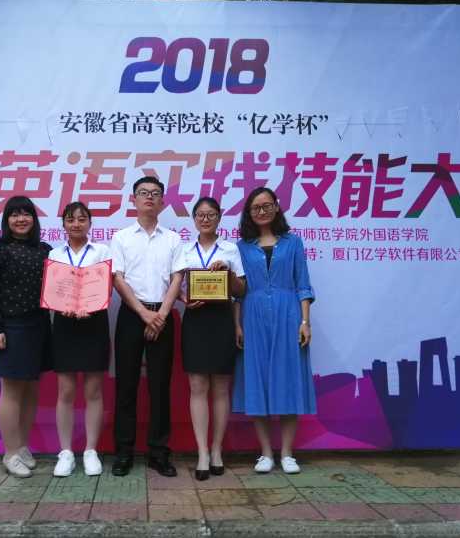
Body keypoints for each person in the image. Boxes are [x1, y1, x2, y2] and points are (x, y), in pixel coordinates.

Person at [232, 187, 316, 475]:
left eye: (267, 205)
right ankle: (266, 453)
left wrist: (305, 322)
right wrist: (237, 325)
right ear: (249, 213)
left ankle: (288, 453)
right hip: (253, 316)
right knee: (257, 380)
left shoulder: (293, 243)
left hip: (288, 314)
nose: (262, 211)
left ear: (277, 207)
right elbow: (238, 293)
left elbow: (303, 284)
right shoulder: (241, 247)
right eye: (256, 207)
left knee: (289, 380)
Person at [110, 176, 186, 477]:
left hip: (163, 315)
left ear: (163, 202)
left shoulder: (173, 239)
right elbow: (117, 278)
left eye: (155, 193)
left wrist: (161, 315)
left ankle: (158, 452)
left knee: (160, 387)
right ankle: (124, 452)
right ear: (134, 199)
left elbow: (177, 277)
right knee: (126, 386)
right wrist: (143, 313)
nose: (149, 197)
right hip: (132, 315)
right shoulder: (121, 238)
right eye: (143, 193)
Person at [0, 196, 52, 478]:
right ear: (6, 220)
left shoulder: (45, 250)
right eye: (15, 215)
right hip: (11, 327)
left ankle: (21, 446)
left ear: (34, 219)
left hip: (39, 325)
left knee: (31, 389)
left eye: (26, 214)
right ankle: (9, 452)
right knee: (11, 390)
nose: (21, 220)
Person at [181, 197, 246, 481]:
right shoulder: (184, 250)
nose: (205, 219)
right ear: (194, 219)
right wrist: (183, 298)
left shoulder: (231, 249)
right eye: (200, 215)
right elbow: (175, 285)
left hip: (222, 320)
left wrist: (228, 274)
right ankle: (202, 452)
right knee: (197, 386)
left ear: (219, 217)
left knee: (220, 388)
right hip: (195, 320)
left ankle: (217, 449)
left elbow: (241, 291)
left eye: (211, 215)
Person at [49, 202, 111, 477]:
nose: (76, 224)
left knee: (93, 391)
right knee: (65, 391)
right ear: (63, 224)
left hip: (94, 322)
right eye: (70, 219)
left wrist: (92, 304)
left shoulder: (102, 251)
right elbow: (53, 290)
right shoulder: (54, 254)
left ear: (90, 223)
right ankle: (65, 452)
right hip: (64, 324)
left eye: (82, 219)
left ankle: (90, 451)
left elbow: (106, 287)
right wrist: (59, 305)